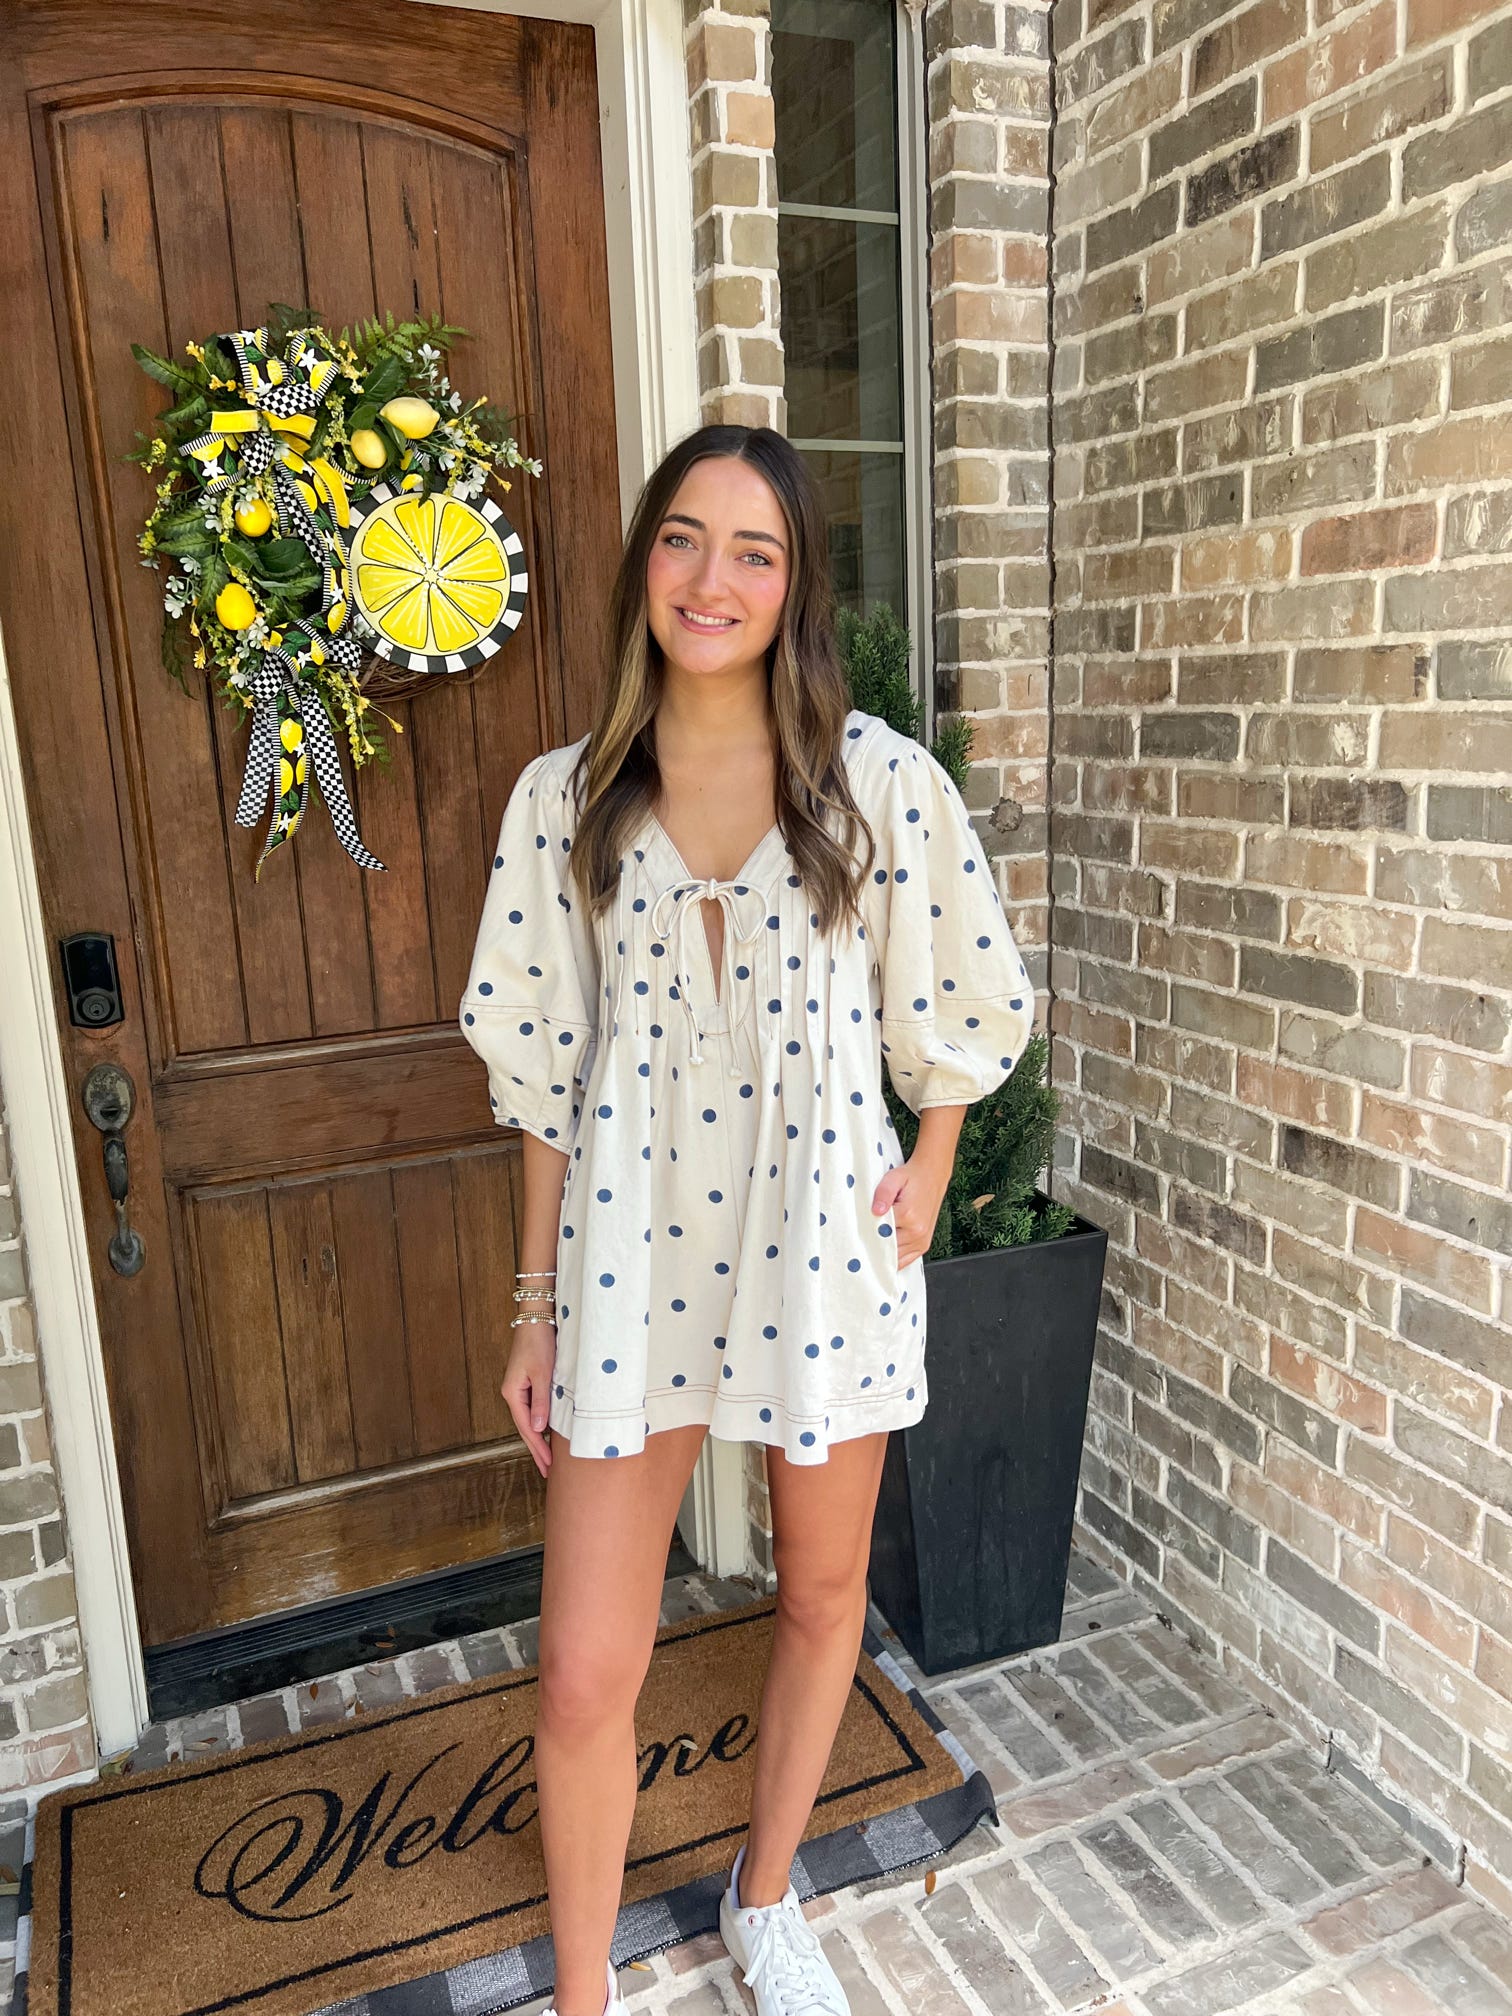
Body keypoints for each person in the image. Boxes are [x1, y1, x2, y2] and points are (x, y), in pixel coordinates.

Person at [459, 425, 1034, 2016]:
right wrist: (532, 1303)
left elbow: (968, 996)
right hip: (630, 1276)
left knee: (823, 1599)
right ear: (645, 561)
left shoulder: (879, 782)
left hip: (820, 1253)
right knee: (582, 1670)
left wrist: (932, 1161)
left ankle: (766, 1895)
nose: (713, 580)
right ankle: (585, 1997)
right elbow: (540, 1077)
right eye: (684, 541)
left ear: (797, 588)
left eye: (755, 552)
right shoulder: (563, 803)